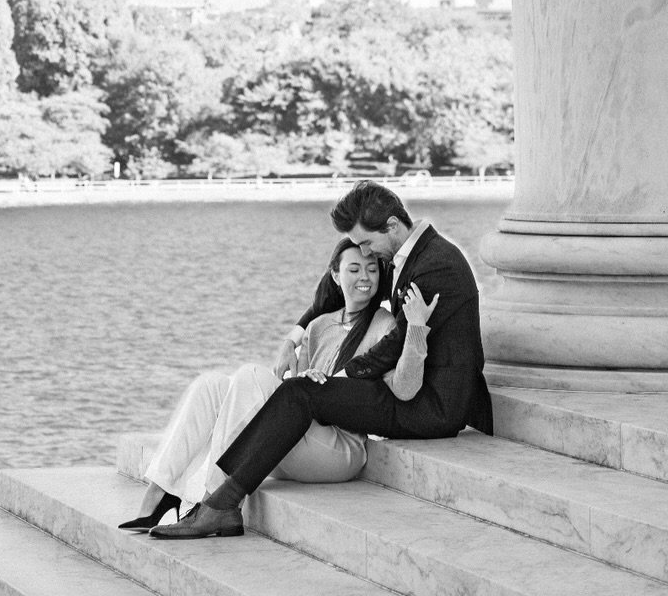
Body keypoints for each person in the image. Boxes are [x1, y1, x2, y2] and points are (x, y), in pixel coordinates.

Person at [151, 180, 493, 540]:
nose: (366, 255)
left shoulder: (435, 265)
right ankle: (217, 503)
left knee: (302, 393)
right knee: (297, 391)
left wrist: (340, 377)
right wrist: (294, 336)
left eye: (366, 243)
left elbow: (395, 343)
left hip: (432, 406)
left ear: (392, 226)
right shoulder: (409, 254)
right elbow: (332, 294)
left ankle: (219, 505)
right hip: (413, 389)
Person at [120, 236, 437, 530]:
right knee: (211, 385)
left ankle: (212, 501)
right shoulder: (318, 326)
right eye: (354, 269)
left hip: (339, 450)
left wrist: (417, 327)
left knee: (250, 375)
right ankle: (160, 492)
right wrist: (306, 378)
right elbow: (301, 393)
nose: (364, 277)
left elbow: (404, 387)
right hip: (299, 438)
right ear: (336, 275)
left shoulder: (383, 324)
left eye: (372, 269)